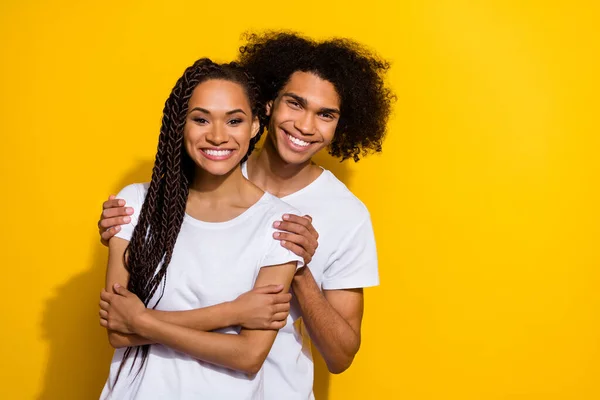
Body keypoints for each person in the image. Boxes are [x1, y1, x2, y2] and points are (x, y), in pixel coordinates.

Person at [98, 32, 394, 400]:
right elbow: (119, 320)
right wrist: (133, 230)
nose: (305, 125)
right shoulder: (213, 163)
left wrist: (299, 270)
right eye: (295, 104)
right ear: (266, 107)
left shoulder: (346, 215)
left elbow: (341, 355)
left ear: (341, 125)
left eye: (325, 115)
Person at [98, 58, 303, 400]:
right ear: (181, 125)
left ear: (255, 125)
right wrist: (234, 312)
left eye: (234, 120)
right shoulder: (135, 204)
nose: (218, 136)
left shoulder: (282, 225)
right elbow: (118, 331)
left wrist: (143, 322)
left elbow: (249, 356)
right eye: (201, 119)